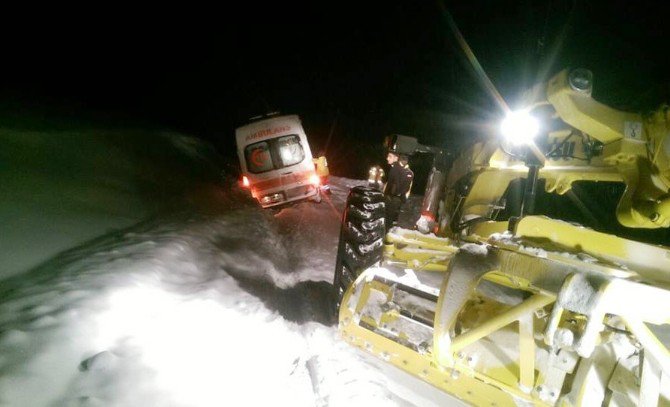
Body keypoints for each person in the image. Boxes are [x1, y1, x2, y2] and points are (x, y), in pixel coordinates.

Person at [384, 151, 414, 228]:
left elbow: (394, 184)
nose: (387, 158)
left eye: (390, 156)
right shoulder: (404, 171)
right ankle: (389, 229)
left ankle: (388, 230)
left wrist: (389, 194)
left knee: (389, 218)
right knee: (390, 218)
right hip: (395, 197)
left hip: (394, 198)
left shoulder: (401, 170)